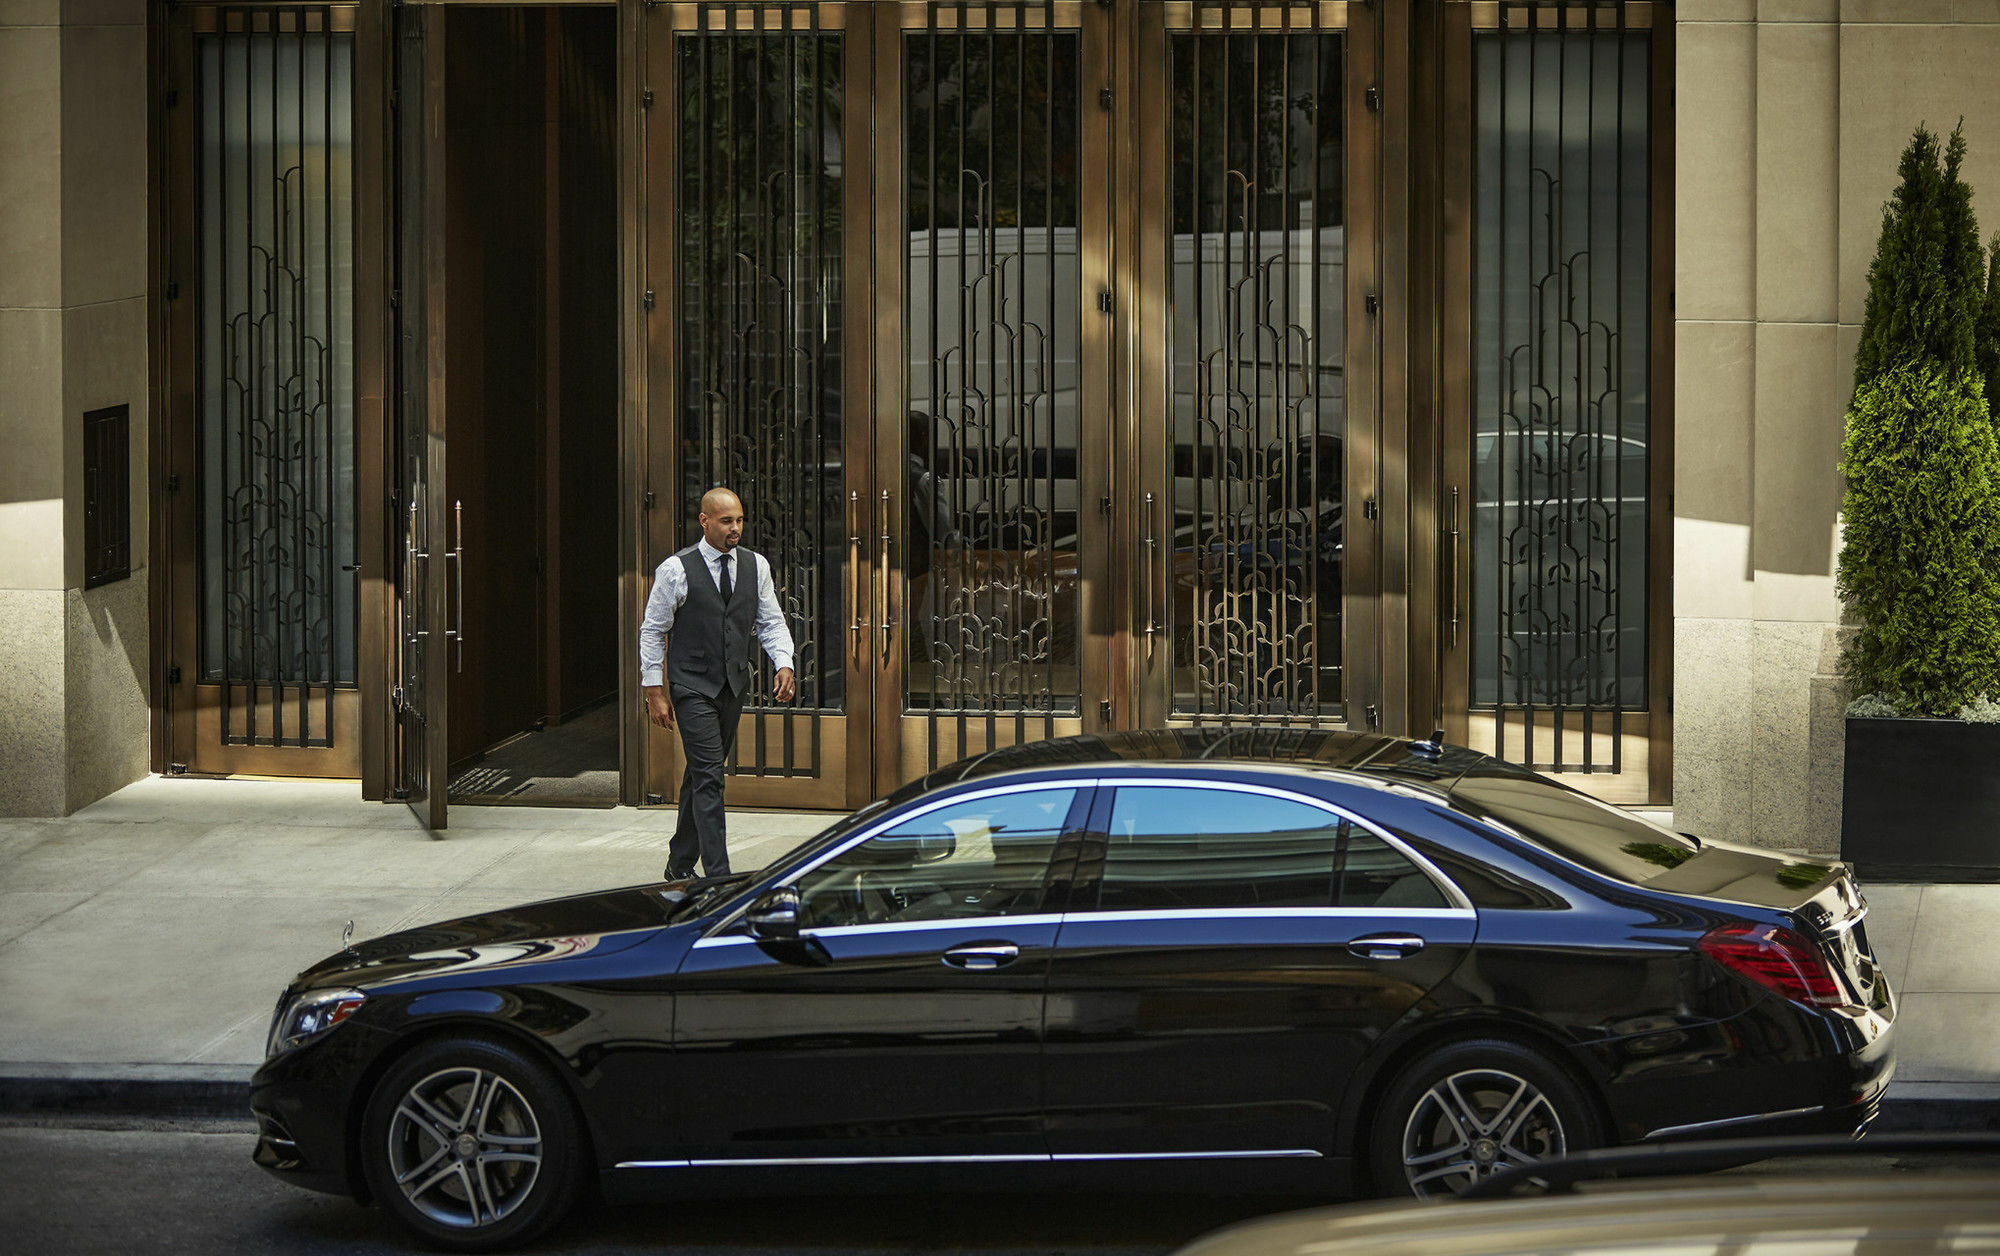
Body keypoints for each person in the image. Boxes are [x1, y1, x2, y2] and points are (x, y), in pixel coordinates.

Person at [640, 487, 796, 880]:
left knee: (700, 773)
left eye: (740, 520)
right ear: (704, 521)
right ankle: (720, 880)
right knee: (711, 778)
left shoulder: (755, 565)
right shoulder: (676, 569)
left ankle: (678, 867)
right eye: (727, 521)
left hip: (732, 684)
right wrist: (654, 689)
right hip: (691, 685)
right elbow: (652, 629)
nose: (736, 528)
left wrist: (783, 662)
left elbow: (771, 620)